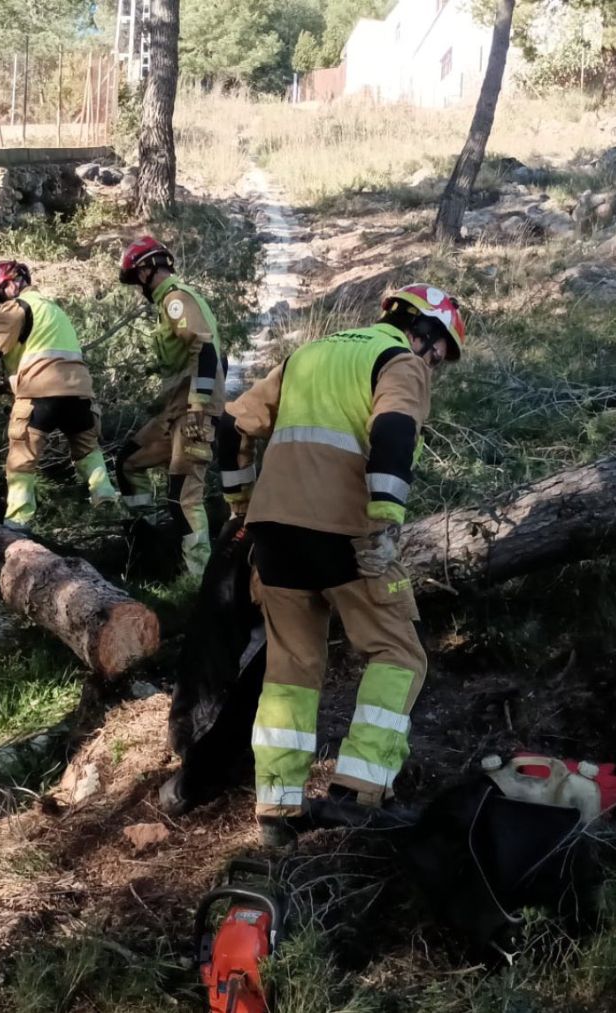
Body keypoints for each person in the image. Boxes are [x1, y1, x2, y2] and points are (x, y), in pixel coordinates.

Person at [220, 284, 465, 846]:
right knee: (398, 653)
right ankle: (359, 792)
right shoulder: (399, 361)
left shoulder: (306, 354)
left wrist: (241, 504)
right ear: (423, 334)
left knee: (291, 664)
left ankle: (277, 809)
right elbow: (395, 429)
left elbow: (232, 425)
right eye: (439, 354)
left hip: (273, 532)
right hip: (346, 533)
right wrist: (386, 518)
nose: (435, 366)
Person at [0, 260, 120, 531]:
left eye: (0, 294)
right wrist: (4, 386)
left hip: (40, 394)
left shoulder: (19, 306)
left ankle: (17, 524)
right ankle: (106, 497)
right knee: (87, 448)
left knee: (22, 458)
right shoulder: (54, 310)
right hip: (79, 394)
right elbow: (45, 357)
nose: (0, 303)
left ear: (12, 284)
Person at [114, 236, 226, 578]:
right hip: (175, 413)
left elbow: (206, 352)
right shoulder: (170, 303)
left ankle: (199, 577)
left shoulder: (177, 299)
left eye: (136, 280)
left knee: (183, 498)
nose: (138, 289)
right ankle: (149, 543)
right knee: (129, 461)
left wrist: (199, 406)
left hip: (192, 414)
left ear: (146, 270)